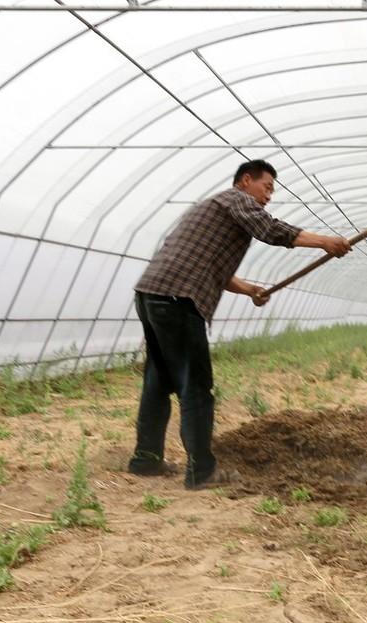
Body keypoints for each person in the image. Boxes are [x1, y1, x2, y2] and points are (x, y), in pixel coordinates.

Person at [127, 159, 351, 489]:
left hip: (153, 294)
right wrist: (324, 242)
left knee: (158, 382)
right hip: (177, 300)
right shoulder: (237, 199)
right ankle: (201, 472)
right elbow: (271, 230)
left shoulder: (214, 207)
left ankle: (145, 460)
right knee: (196, 387)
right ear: (246, 181)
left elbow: (210, 264)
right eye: (267, 188)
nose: (268, 196)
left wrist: (249, 290)